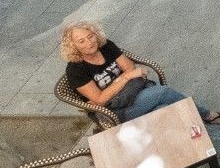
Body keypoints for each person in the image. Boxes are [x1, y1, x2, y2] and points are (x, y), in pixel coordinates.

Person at [60, 21, 212, 123]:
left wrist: (118, 83)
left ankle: (195, 128)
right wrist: (125, 78)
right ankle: (207, 116)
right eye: (82, 41)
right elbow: (100, 100)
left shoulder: (106, 46)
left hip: (134, 91)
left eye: (90, 36)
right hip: (114, 111)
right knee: (163, 94)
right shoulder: (75, 70)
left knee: (163, 107)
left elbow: (130, 68)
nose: (90, 42)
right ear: (74, 47)